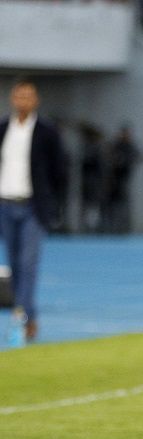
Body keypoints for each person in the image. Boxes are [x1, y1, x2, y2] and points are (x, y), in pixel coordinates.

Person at [0, 79, 67, 342]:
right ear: (12, 99)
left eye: (28, 96)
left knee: (28, 264)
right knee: (15, 265)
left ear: (36, 100)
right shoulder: (3, 128)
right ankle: (29, 316)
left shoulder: (47, 132)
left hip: (32, 207)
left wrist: (51, 202)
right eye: (19, 96)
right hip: (5, 204)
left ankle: (22, 317)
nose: (23, 101)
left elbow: (60, 170)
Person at [104, 125, 137, 234]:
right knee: (111, 204)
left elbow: (132, 159)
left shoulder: (130, 147)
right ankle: (110, 226)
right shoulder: (116, 145)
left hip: (124, 179)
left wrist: (122, 161)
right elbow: (109, 159)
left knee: (123, 204)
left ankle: (124, 227)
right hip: (113, 179)